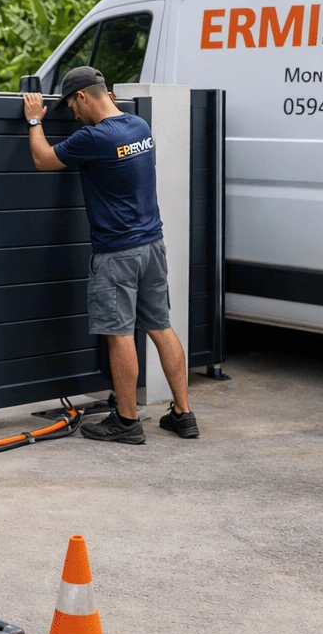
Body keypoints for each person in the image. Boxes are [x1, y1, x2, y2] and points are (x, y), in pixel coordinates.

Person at [23, 65, 200, 444]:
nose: (72, 113)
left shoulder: (94, 138)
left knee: (119, 335)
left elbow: (42, 159)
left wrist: (35, 119)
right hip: (153, 245)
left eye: (72, 105)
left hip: (117, 253)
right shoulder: (139, 127)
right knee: (160, 326)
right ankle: (183, 414)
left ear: (84, 97)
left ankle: (126, 421)